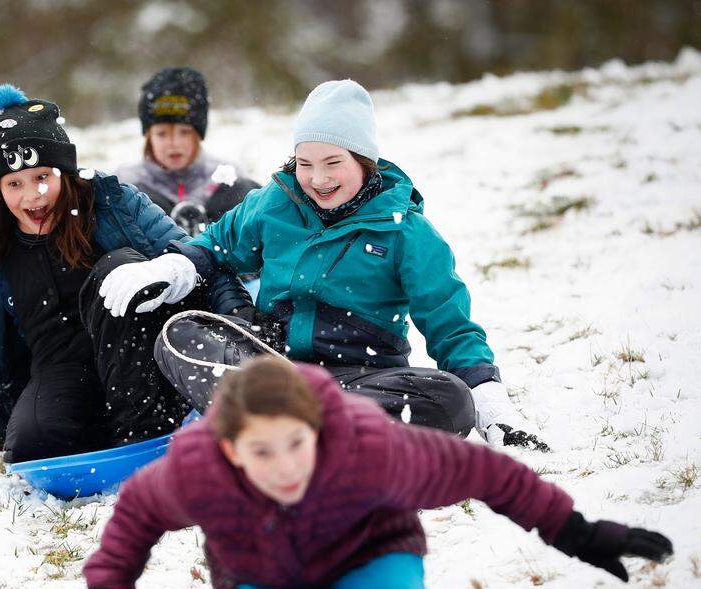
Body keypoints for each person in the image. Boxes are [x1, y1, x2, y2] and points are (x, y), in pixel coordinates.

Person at [26, 357, 673, 589]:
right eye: (261, 452)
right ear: (229, 448)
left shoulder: (367, 446)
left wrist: (578, 531)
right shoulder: (198, 467)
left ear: (316, 430)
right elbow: (136, 511)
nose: (283, 467)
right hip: (267, 574)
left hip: (370, 551)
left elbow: (486, 472)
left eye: (295, 445)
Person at [103, 79, 543, 448]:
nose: (317, 179)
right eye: (306, 164)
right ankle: (307, 425)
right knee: (179, 337)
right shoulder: (276, 203)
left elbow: (450, 324)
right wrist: (171, 268)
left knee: (451, 400)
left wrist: (488, 397)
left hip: (362, 377)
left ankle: (285, 424)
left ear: (364, 162)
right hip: (273, 360)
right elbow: (217, 246)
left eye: (333, 163)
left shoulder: (406, 232)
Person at [0, 84, 249, 462]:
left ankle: (141, 431)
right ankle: (98, 428)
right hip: (63, 370)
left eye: (42, 178)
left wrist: (239, 322)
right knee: (33, 445)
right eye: (14, 184)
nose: (32, 196)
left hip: (139, 351)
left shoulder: (112, 204)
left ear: (63, 173)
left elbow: (196, 259)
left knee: (115, 270)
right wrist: (0, 427)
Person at [115, 67, 260, 237]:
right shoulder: (127, 180)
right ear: (149, 137)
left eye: (184, 132)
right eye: (162, 134)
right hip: (151, 260)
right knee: (128, 198)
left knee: (243, 190)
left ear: (197, 135)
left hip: (221, 258)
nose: (174, 143)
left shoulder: (228, 176)